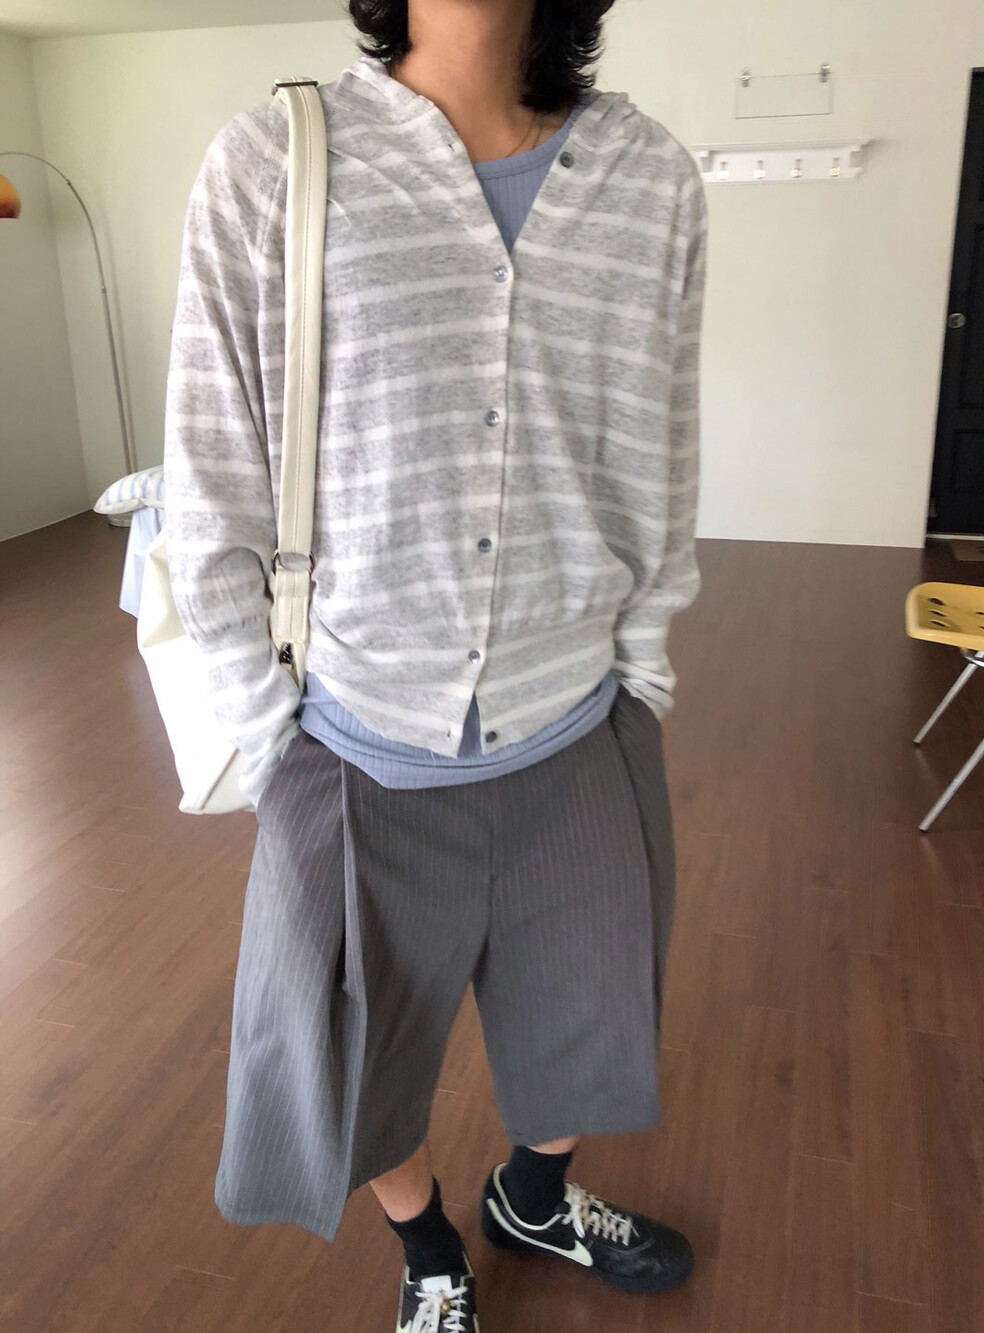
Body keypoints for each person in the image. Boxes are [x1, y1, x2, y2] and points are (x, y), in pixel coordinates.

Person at [163, 0, 707, 1327]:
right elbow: (212, 473)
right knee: (347, 1066)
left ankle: (535, 1195)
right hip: (350, 740)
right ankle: (431, 1254)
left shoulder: (648, 179)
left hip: (580, 726)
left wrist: (642, 675)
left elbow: (657, 445)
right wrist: (269, 732)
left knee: (594, 1022)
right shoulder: (274, 162)